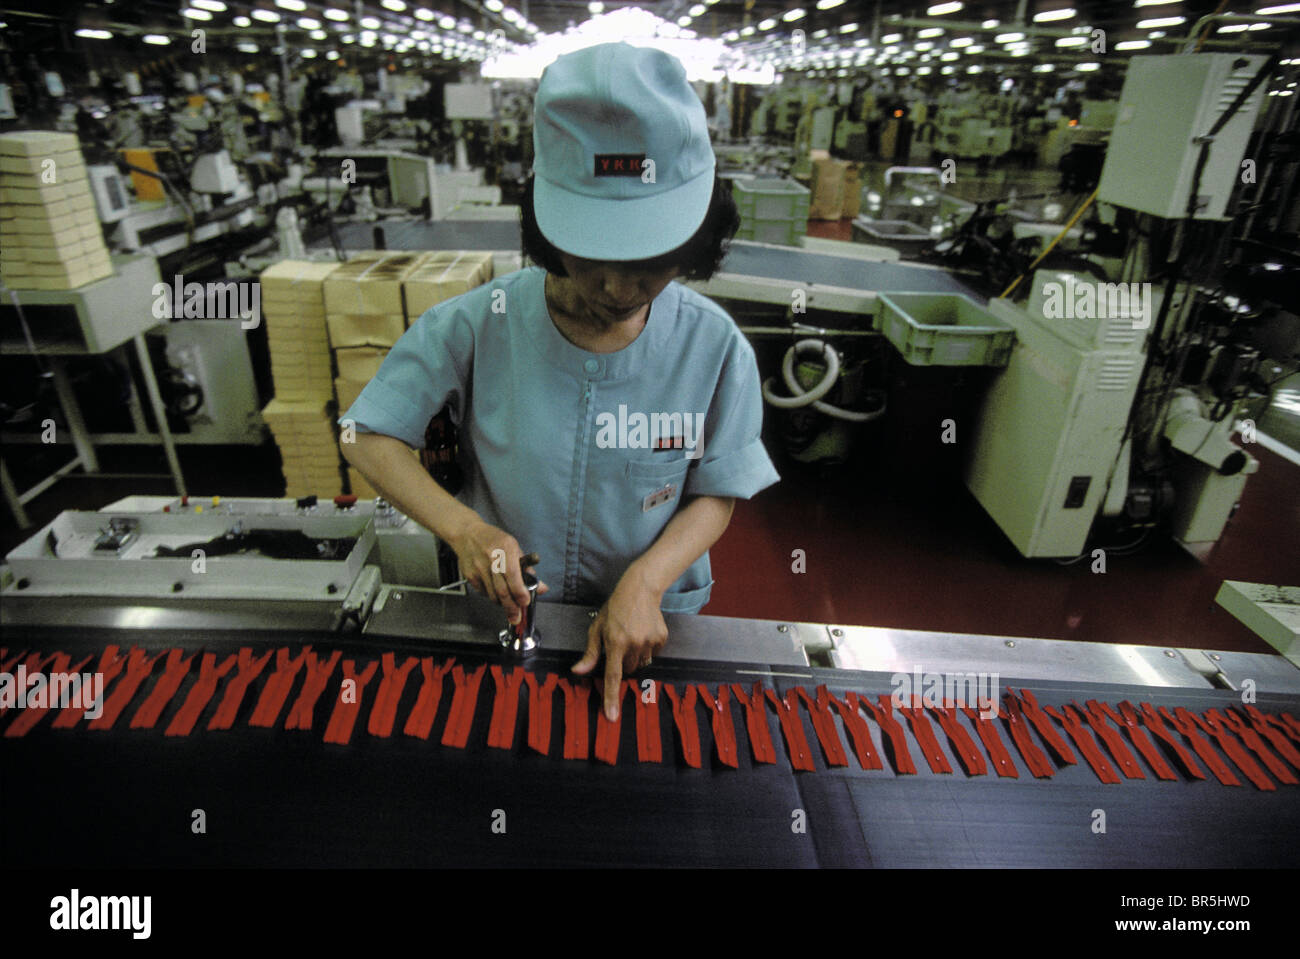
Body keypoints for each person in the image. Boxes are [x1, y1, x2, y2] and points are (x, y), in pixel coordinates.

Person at [340, 42, 779, 719]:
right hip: (508, 625)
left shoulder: (713, 346)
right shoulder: (478, 325)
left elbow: (716, 491)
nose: (614, 286)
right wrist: (466, 531)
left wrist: (648, 578)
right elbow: (367, 435)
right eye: (590, 255)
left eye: (648, 263)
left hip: (652, 628)